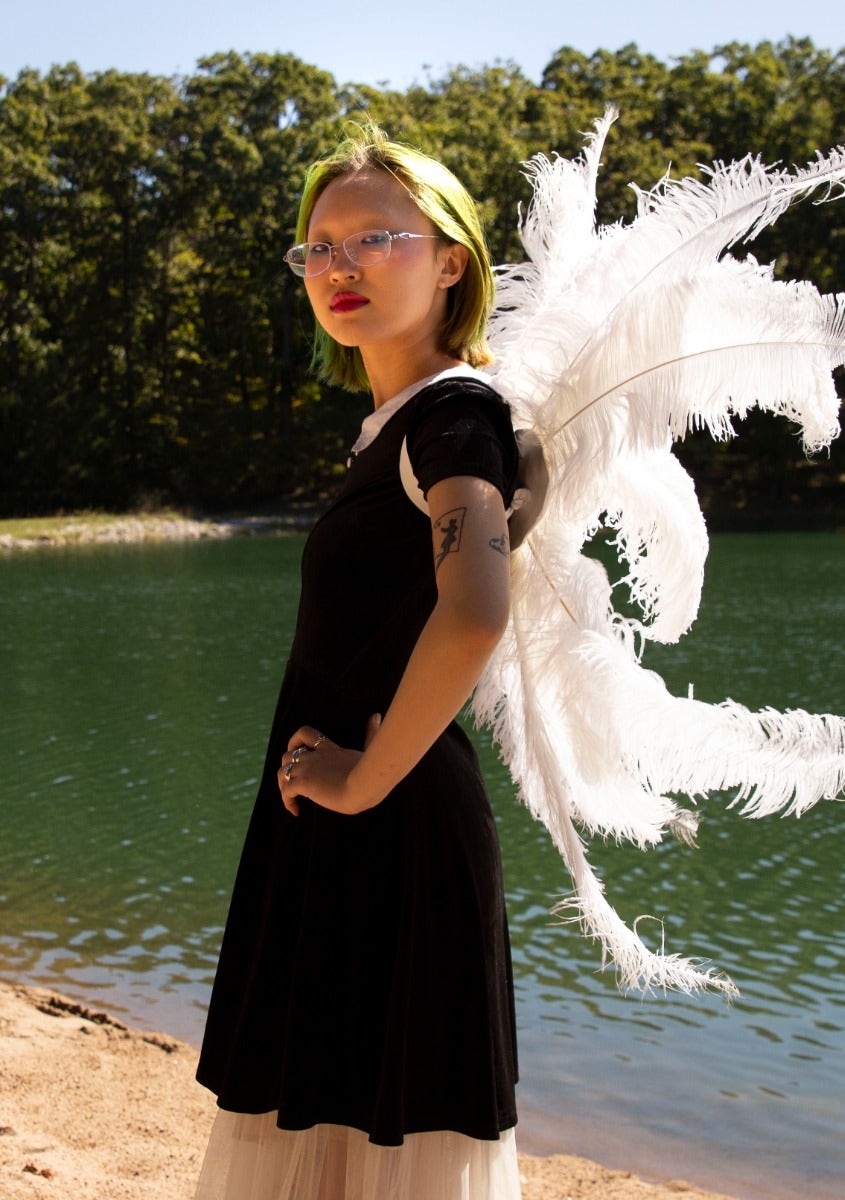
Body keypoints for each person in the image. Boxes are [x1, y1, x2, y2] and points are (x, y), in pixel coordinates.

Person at [194, 124, 530, 1200]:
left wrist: (360, 778)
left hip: (388, 822)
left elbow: (474, 611)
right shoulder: (406, 423)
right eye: (318, 246)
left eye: (375, 236)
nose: (337, 265)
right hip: (351, 829)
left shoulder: (452, 415)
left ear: (450, 261)